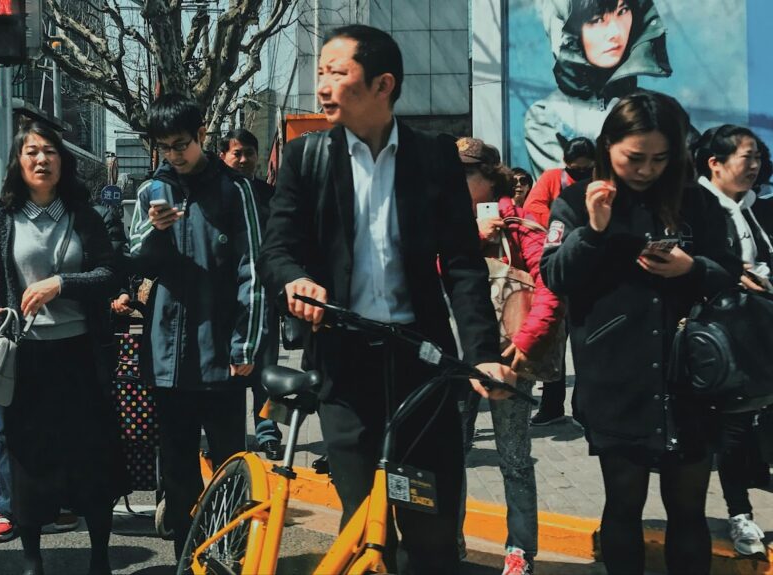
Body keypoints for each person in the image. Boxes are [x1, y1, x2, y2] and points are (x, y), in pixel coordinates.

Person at [258, 25, 513, 574]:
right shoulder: (306, 159)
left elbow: (463, 264)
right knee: (364, 527)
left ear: (383, 85)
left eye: (336, 72)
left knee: (432, 527)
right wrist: (294, 281)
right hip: (344, 367)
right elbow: (277, 249)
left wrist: (482, 352)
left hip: (421, 364)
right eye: (319, 72)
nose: (322, 85)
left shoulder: (433, 158)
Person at [541, 91, 741, 575]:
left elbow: (731, 273)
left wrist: (692, 269)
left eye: (659, 158)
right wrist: (593, 231)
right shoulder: (576, 199)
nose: (646, 170)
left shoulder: (696, 201)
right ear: (609, 145)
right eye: (634, 157)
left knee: (688, 507)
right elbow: (554, 276)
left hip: (689, 380)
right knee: (623, 504)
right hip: (616, 380)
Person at [0, 120, 128, 575]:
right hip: (22, 361)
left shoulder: (85, 215)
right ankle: (32, 559)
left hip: (80, 357)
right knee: (25, 460)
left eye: (50, 152)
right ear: (18, 162)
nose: (41, 159)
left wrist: (59, 284)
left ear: (62, 162)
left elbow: (111, 274)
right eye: (31, 152)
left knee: (89, 456)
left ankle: (100, 557)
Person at [128, 93, 265, 559]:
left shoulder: (235, 189)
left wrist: (246, 344)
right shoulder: (152, 190)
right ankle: (188, 556)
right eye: (164, 146)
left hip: (222, 353)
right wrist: (154, 229)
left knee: (230, 463)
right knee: (179, 468)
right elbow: (135, 260)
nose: (174, 154)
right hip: (166, 354)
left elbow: (253, 270)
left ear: (203, 134)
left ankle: (230, 552)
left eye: (181, 144)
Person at [456, 137, 563, 575]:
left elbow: (551, 287)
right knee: (451, 453)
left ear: (488, 175)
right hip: (457, 360)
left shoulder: (520, 227)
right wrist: (467, 239)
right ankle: (449, 537)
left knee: (515, 458)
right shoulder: (448, 225)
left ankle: (520, 549)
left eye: (464, 174)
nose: (454, 182)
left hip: (510, 363)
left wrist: (523, 343)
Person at [691, 125, 770, 556]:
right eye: (746, 157)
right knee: (734, 430)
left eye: (757, 157)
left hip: (759, 329)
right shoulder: (702, 208)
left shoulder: (753, 207)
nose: (755, 166)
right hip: (725, 338)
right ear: (715, 164)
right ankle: (740, 516)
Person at [524, 0, 671, 177]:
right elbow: (563, 194)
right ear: (565, 32)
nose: (615, 32)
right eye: (596, 20)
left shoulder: (659, 108)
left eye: (623, 11)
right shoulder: (545, 116)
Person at [219, 127, 284, 460]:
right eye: (236, 153)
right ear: (222, 156)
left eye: (249, 153)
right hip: (224, 301)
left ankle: (268, 432)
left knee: (266, 372)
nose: (244, 159)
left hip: (263, 299)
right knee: (229, 373)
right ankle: (230, 437)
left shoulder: (268, 194)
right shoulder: (215, 194)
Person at [523, 136, 595, 426]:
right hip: (558, 271)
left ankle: (583, 408)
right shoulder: (552, 178)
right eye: (575, 170)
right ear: (565, 164)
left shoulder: (601, 183)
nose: (580, 175)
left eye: (586, 170)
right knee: (555, 345)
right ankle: (552, 406)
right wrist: (566, 216)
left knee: (587, 347)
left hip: (589, 276)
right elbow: (533, 208)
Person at [524, 137, 596, 227]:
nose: (581, 172)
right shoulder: (552, 177)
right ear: (565, 161)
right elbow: (532, 206)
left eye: (586, 168)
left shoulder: (601, 178)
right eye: (576, 169)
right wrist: (558, 224)